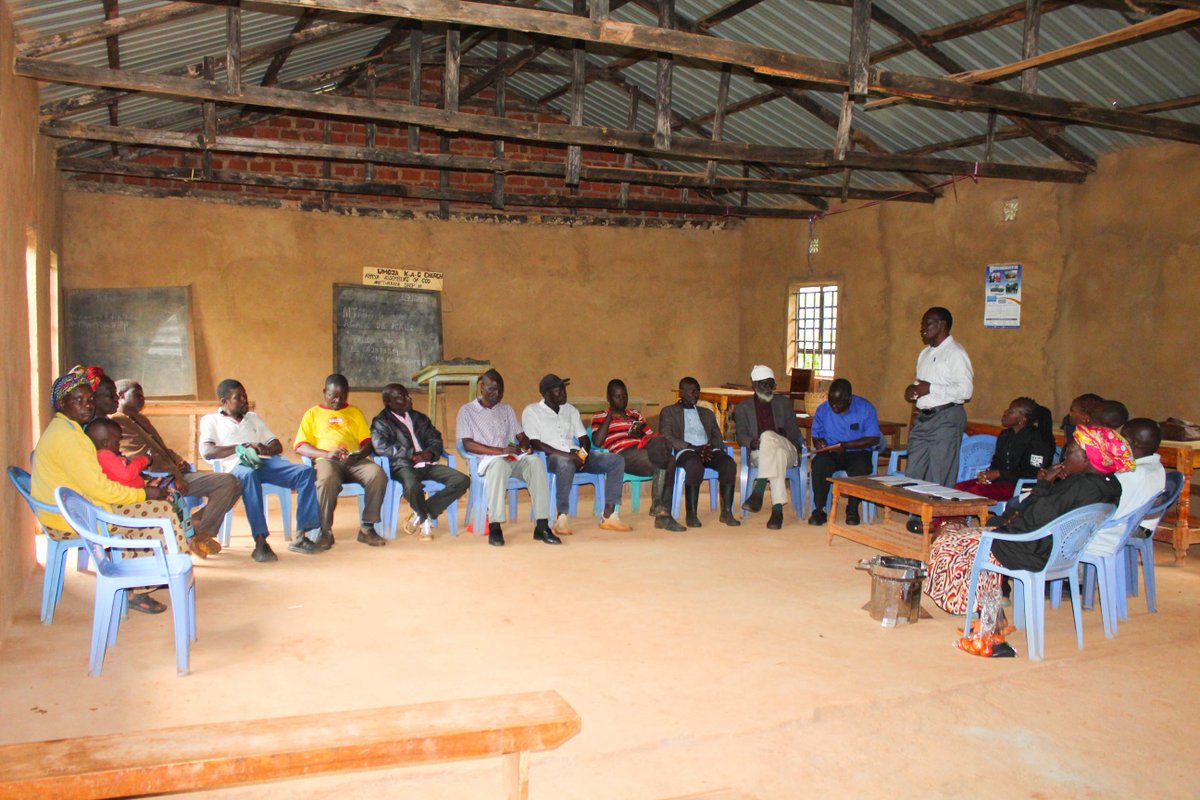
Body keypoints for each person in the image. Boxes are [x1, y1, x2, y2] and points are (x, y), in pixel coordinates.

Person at [31, 367, 190, 614]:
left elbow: (96, 482)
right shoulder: (70, 439)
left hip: (71, 509)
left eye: (89, 399)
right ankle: (147, 583)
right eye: (78, 400)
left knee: (150, 506)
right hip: (72, 518)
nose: (87, 405)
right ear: (61, 404)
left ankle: (148, 575)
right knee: (160, 512)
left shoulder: (66, 430)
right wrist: (143, 494)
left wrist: (139, 489)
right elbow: (102, 490)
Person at [924, 426, 1130, 615]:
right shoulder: (1111, 485)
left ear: (1088, 457)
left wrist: (1043, 484)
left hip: (1028, 549)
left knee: (950, 541)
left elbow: (1033, 517)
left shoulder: (1077, 485)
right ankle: (992, 597)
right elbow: (1048, 512)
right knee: (977, 530)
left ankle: (973, 604)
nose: (1064, 458)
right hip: (1061, 551)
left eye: (1069, 453)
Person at [111, 379, 242, 557]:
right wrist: (175, 474)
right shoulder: (117, 422)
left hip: (174, 473)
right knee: (227, 483)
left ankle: (197, 529)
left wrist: (179, 461)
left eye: (143, 395)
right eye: (137, 395)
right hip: (159, 481)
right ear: (121, 396)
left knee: (234, 483)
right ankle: (197, 533)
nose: (142, 399)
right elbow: (141, 456)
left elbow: (161, 449)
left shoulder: (140, 419)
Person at [199, 379, 322, 562]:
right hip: (236, 467)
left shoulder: (253, 418)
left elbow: (277, 445)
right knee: (250, 476)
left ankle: (301, 536)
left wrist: (264, 449)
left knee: (305, 472)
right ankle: (260, 542)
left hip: (264, 463)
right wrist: (241, 447)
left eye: (245, 396)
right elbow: (208, 452)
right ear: (224, 401)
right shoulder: (211, 420)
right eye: (238, 397)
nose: (244, 400)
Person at [456, 369, 557, 547]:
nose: (496, 394)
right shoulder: (467, 411)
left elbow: (521, 435)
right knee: (498, 465)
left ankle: (542, 525)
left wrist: (524, 444)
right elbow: (468, 444)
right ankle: (495, 526)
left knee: (535, 462)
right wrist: (500, 450)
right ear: (482, 387)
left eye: (500, 391)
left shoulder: (506, 409)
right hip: (486, 462)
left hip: (510, 459)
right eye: (492, 389)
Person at [523, 374, 631, 535]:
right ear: (546, 394)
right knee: (564, 463)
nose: (564, 394)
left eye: (564, 390)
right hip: (550, 458)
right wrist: (570, 457)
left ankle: (609, 515)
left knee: (616, 460)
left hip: (577, 456)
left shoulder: (570, 410)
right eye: (558, 391)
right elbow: (536, 443)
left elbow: (584, 439)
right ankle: (562, 517)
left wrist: (582, 455)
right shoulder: (532, 411)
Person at [294, 374, 388, 549]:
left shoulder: (354, 412)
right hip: (327, 460)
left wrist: (359, 455)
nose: (337, 400)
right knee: (326, 480)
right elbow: (300, 446)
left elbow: (368, 443)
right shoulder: (312, 414)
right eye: (333, 396)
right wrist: (327, 454)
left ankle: (367, 528)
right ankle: (325, 532)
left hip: (353, 461)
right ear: (324, 392)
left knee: (377, 474)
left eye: (342, 396)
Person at [903, 306, 973, 532]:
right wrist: (913, 391)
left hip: (946, 416)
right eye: (923, 324)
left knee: (940, 471)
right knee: (914, 468)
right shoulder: (924, 353)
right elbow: (921, 385)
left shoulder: (956, 353)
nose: (923, 328)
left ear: (942, 324)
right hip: (924, 418)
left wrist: (930, 388)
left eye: (928, 323)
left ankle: (935, 519)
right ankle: (917, 515)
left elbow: (965, 390)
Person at [370, 383, 469, 541]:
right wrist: (411, 455)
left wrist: (429, 453)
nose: (408, 399)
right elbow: (382, 447)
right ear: (388, 402)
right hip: (403, 466)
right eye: (401, 397)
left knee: (462, 480)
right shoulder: (381, 422)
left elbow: (435, 438)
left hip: (427, 464)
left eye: (407, 395)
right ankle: (425, 521)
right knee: (412, 486)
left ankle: (423, 513)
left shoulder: (419, 418)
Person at [591, 379, 685, 532]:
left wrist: (641, 434)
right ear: (609, 398)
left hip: (644, 449)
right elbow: (597, 441)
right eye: (617, 396)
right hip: (623, 454)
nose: (622, 400)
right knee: (670, 461)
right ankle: (662, 515)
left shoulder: (635, 414)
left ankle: (660, 510)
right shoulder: (600, 415)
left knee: (662, 444)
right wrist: (610, 416)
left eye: (624, 396)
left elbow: (651, 436)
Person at [659, 377, 740, 528]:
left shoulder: (706, 413)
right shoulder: (669, 412)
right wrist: (693, 448)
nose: (696, 395)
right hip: (686, 450)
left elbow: (717, 435)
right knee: (694, 464)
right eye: (692, 392)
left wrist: (709, 447)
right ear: (681, 392)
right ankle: (691, 514)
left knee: (729, 464)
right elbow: (667, 436)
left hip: (708, 449)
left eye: (697, 392)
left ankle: (727, 512)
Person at [732, 365, 803, 530]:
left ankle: (759, 489)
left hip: (788, 450)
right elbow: (741, 435)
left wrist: (784, 434)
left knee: (768, 436)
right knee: (776, 454)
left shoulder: (783, 403)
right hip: (760, 453)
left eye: (771, 384)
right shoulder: (743, 408)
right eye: (764, 384)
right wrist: (751, 443)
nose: (768, 388)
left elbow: (795, 433)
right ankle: (777, 511)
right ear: (754, 385)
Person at [1084, 418, 1166, 557]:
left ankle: (1071, 570)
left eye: (1122, 436)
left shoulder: (1131, 475)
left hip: (1115, 531)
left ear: (1134, 442)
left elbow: (1106, 512)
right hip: (1139, 525)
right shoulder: (1156, 466)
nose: (1117, 440)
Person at [807, 378, 881, 527]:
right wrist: (819, 442)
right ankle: (820, 509)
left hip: (857, 451)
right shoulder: (822, 409)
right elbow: (816, 434)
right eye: (831, 401)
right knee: (819, 464)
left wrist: (846, 446)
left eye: (839, 403)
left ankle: (852, 509)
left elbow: (873, 438)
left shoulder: (865, 408)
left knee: (862, 467)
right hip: (831, 452)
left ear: (849, 399)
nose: (834, 406)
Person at [954, 397, 1057, 504]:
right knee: (957, 489)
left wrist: (1000, 474)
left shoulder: (1037, 440)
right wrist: (987, 475)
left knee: (975, 492)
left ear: (1023, 419)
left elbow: (1033, 473)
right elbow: (996, 463)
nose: (1005, 413)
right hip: (1001, 482)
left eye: (1010, 412)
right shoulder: (1005, 435)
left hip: (1021, 487)